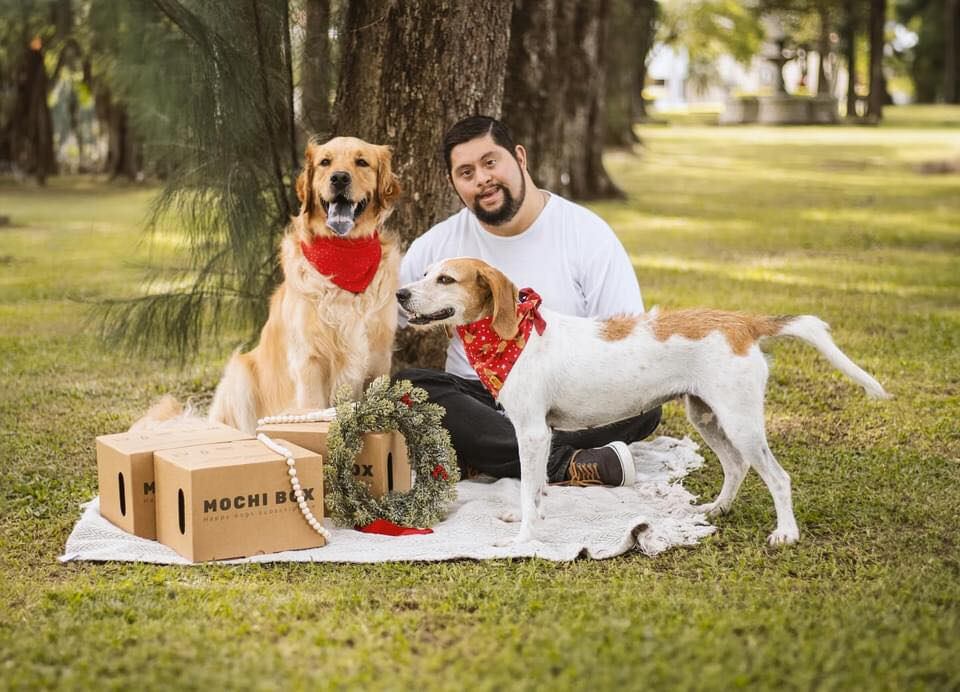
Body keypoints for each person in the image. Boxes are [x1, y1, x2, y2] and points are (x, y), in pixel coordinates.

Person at [395, 115, 661, 487]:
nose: (482, 178)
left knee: (645, 407)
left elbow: (629, 339)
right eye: (466, 172)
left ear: (519, 157)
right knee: (410, 388)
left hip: (567, 392)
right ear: (453, 183)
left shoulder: (586, 233)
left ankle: (488, 453)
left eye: (491, 162)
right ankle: (571, 463)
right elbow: (385, 318)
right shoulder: (436, 245)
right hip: (479, 398)